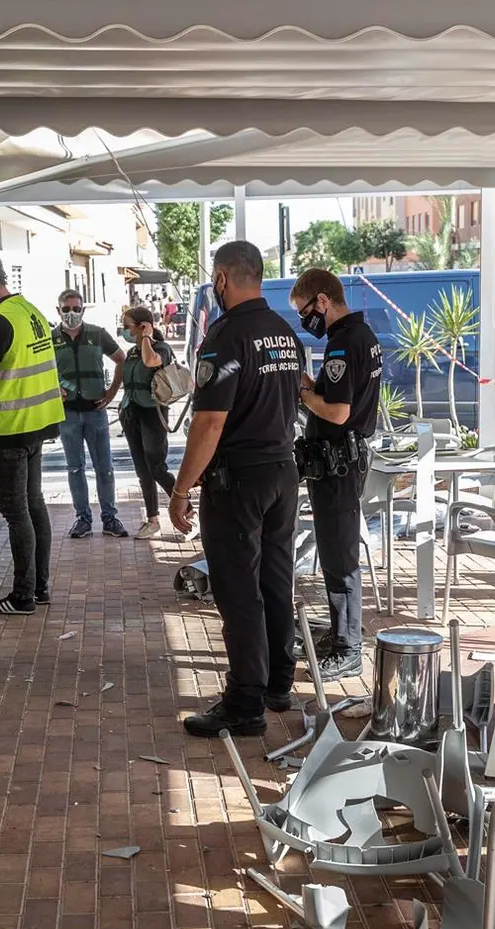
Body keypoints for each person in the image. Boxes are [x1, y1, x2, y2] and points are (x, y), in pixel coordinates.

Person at [172, 241, 305, 738]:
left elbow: (208, 423)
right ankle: (277, 682)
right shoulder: (282, 332)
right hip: (281, 471)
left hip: (239, 479)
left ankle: (245, 702)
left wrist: (182, 489)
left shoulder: (225, 336)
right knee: (275, 578)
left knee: (237, 589)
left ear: (222, 280)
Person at [0, 251, 65, 615]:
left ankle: (22, 596)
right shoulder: (30, 311)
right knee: (34, 507)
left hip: (8, 430)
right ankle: (40, 587)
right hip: (37, 423)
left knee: (17, 514)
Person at [290, 269, 383, 682]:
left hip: (338, 462)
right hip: (343, 460)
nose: (305, 319)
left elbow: (338, 411)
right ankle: (341, 634)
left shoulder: (344, 344)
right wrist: (309, 384)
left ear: (324, 301)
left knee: (339, 556)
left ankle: (348, 649)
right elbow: (338, 395)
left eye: (305, 310)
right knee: (334, 552)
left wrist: (303, 394)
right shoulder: (360, 337)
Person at [51, 288, 128, 538]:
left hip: (96, 411)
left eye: (76, 308)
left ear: (83, 310)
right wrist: (54, 389)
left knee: (104, 467)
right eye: (66, 309)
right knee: (75, 468)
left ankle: (110, 518)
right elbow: (40, 371)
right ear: (58, 310)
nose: (71, 313)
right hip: (68, 414)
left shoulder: (97, 334)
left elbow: (121, 359)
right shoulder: (50, 339)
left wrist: (112, 391)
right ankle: (83, 519)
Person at [116, 306, 178, 538]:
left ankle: (188, 511)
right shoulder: (132, 352)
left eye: (128, 326)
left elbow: (151, 361)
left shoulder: (161, 348)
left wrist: (147, 337)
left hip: (153, 413)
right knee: (143, 471)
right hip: (132, 413)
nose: (125, 330)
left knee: (157, 467)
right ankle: (152, 519)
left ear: (142, 326)